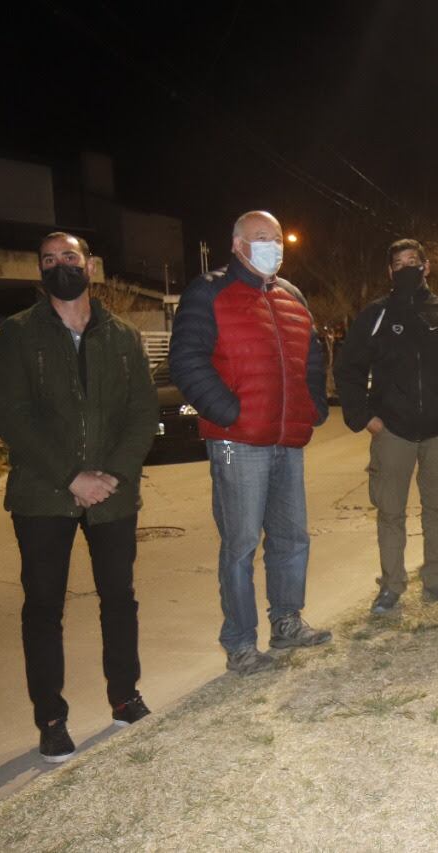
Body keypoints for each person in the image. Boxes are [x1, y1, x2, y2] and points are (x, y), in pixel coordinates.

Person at [0, 232, 157, 762]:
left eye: (69, 258)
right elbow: (12, 415)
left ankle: (125, 695)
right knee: (42, 607)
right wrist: (71, 477)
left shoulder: (123, 335)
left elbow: (141, 412)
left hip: (112, 492)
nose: (59, 266)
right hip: (43, 495)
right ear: (41, 272)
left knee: (119, 598)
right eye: (49, 260)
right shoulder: (19, 333)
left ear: (90, 266)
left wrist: (114, 475)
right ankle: (52, 719)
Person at [170, 210, 332, 677]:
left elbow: (313, 357)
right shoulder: (209, 291)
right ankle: (240, 644)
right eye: (263, 238)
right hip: (238, 442)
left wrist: (313, 406)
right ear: (238, 244)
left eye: (278, 238)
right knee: (240, 546)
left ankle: (287, 622)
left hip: (287, 438)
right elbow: (186, 361)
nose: (273, 245)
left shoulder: (291, 295)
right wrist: (229, 413)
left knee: (291, 538)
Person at [334, 238, 438, 613]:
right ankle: (391, 585)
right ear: (389, 271)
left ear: (427, 267)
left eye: (413, 261)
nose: (407, 268)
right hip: (392, 431)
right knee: (390, 512)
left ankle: (437, 579)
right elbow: (347, 368)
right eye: (399, 263)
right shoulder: (376, 315)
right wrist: (364, 418)